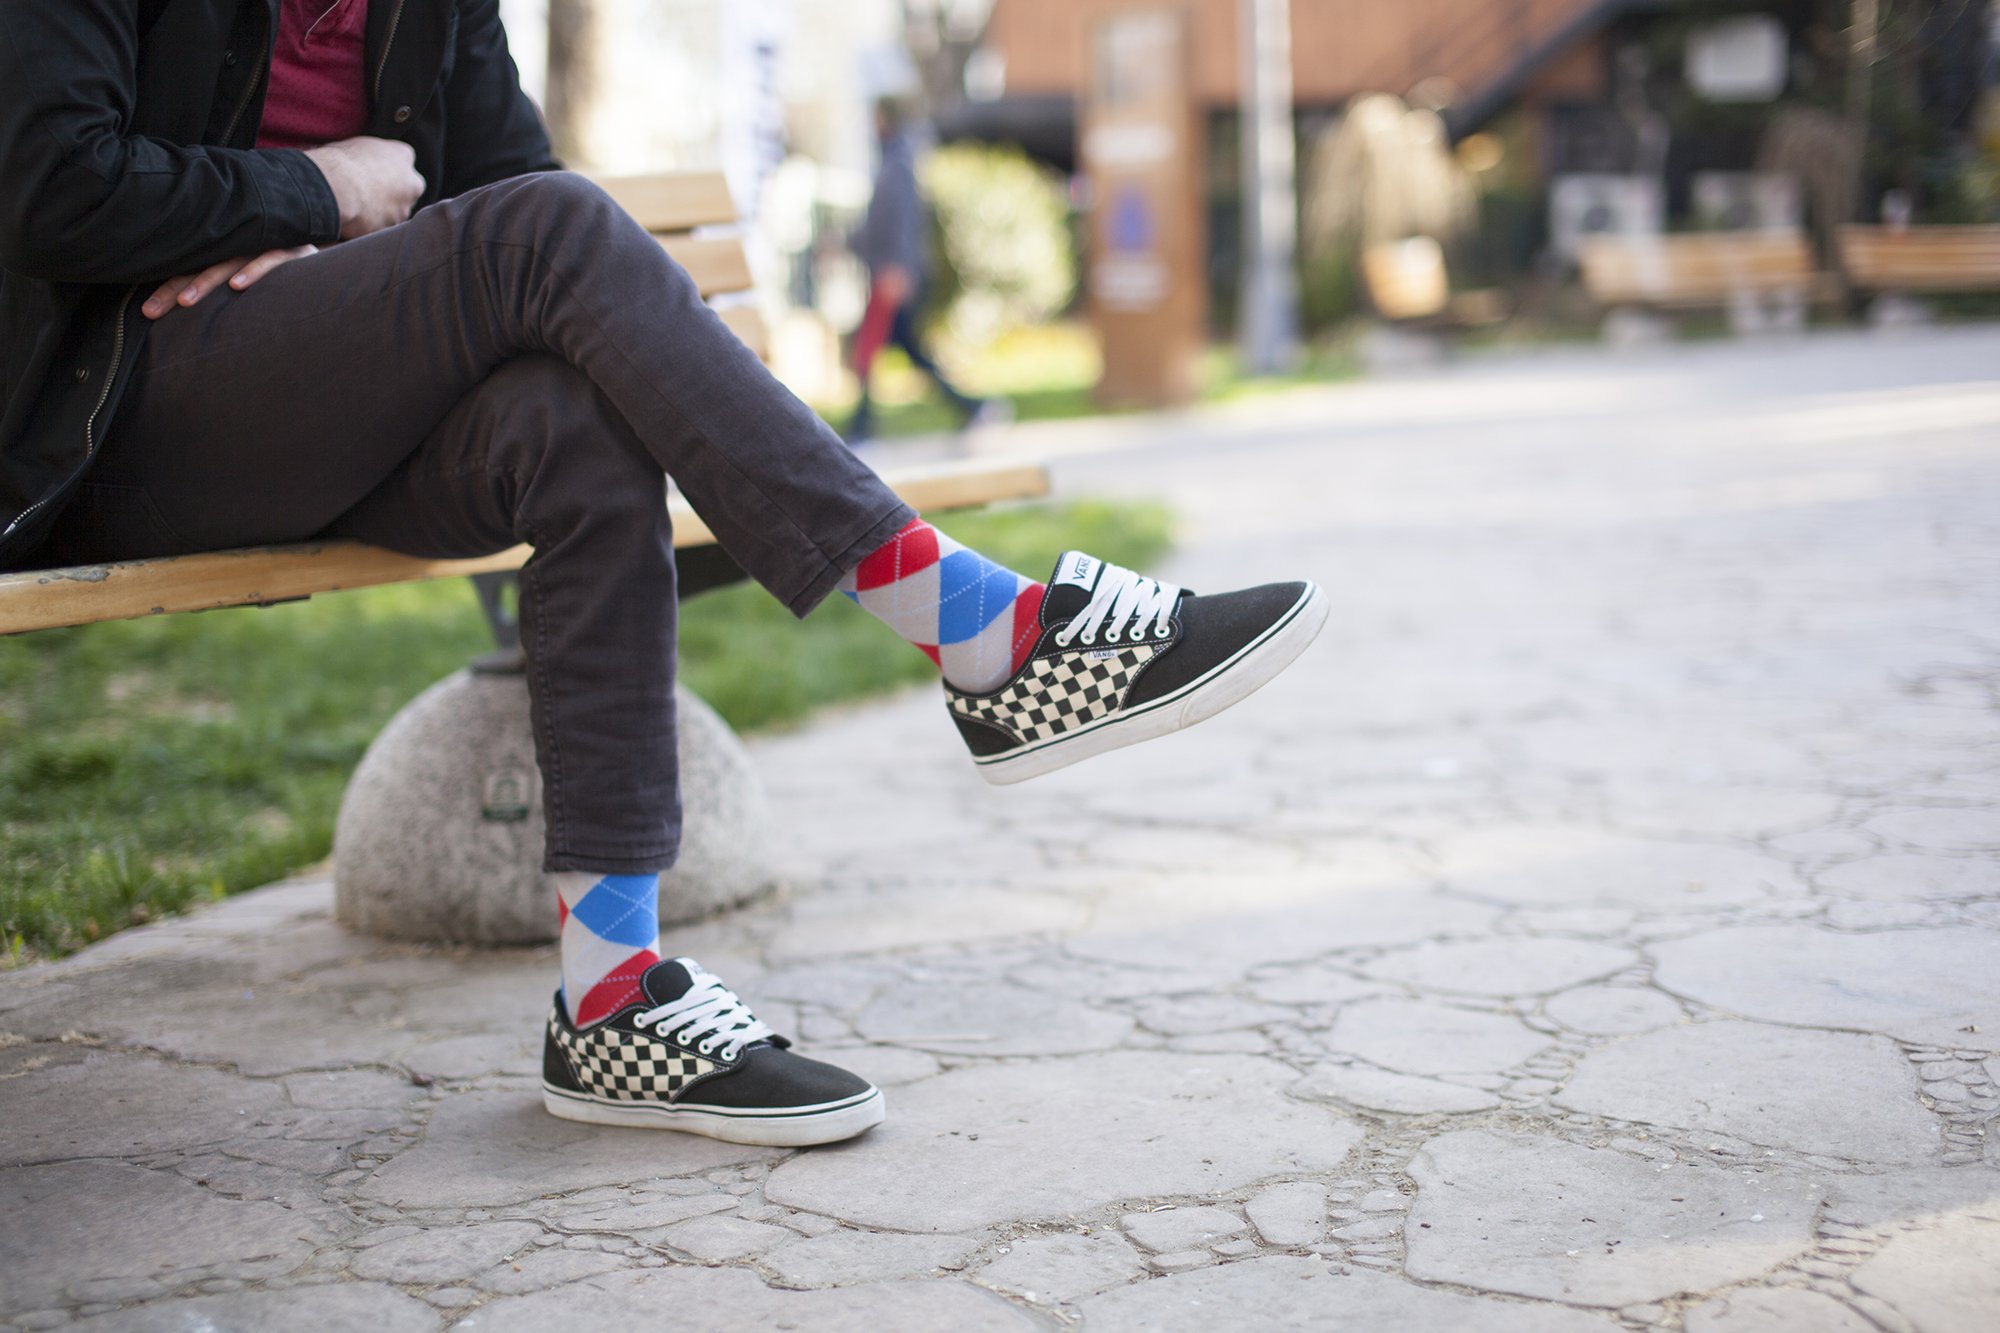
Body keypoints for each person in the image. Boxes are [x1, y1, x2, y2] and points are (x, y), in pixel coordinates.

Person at [0, 0, 1326, 1147]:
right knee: (554, 236)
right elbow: (55, 184)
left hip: (306, 402)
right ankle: (985, 633)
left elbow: (501, 192)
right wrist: (323, 190)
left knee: (570, 424)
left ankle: (614, 993)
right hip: (109, 417)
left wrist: (338, 269)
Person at [843, 97, 997, 445]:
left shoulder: (898, 165)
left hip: (892, 277)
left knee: (874, 348)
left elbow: (902, 224)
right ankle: (971, 407)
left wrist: (897, 268)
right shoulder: (892, 160)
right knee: (898, 349)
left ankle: (862, 426)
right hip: (887, 272)